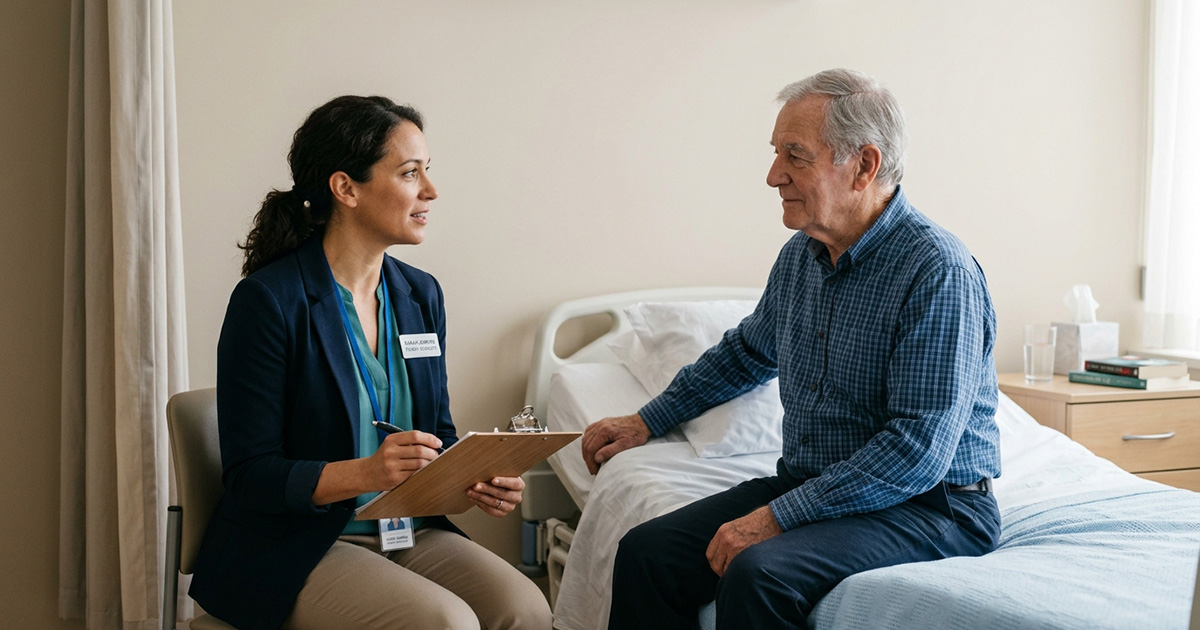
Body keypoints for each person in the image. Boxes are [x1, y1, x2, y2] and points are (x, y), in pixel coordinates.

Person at [581, 69, 1002, 629]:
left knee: (759, 573)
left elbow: (917, 449)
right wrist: (644, 421)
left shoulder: (936, 271)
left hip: (932, 506)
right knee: (646, 554)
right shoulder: (801, 257)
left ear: (864, 166)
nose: (773, 175)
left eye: (795, 156)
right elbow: (746, 355)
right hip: (815, 483)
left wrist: (777, 518)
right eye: (777, 154)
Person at [189, 95, 553, 630]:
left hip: (409, 531)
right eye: (410, 173)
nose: (430, 191)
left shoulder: (420, 295)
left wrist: (474, 477)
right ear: (346, 188)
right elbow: (251, 476)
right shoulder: (270, 301)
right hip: (299, 546)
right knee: (446, 624)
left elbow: (438, 435)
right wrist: (364, 472)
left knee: (526, 610)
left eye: (428, 171)